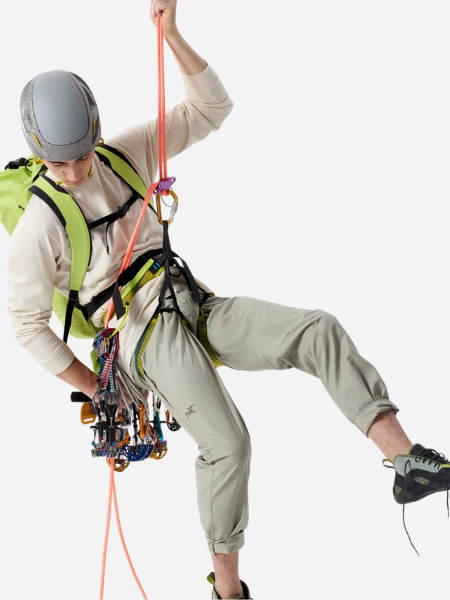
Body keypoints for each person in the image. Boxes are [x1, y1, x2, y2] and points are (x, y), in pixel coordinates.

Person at [7, 2, 450, 599]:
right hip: (140, 334)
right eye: (58, 163)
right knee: (228, 444)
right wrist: (96, 388)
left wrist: (172, 35)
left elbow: (211, 109)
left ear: (95, 133)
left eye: (82, 154)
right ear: (38, 154)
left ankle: (406, 463)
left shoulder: (123, 154)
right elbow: (25, 323)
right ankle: (228, 591)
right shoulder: (40, 224)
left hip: (190, 301)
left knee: (317, 328)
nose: (74, 171)